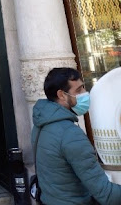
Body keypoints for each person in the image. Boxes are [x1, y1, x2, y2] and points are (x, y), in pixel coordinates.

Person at [32, 67, 121, 205]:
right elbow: (106, 195)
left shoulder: (42, 123)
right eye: (79, 90)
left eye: (84, 88)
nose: (85, 93)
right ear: (62, 95)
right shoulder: (70, 134)